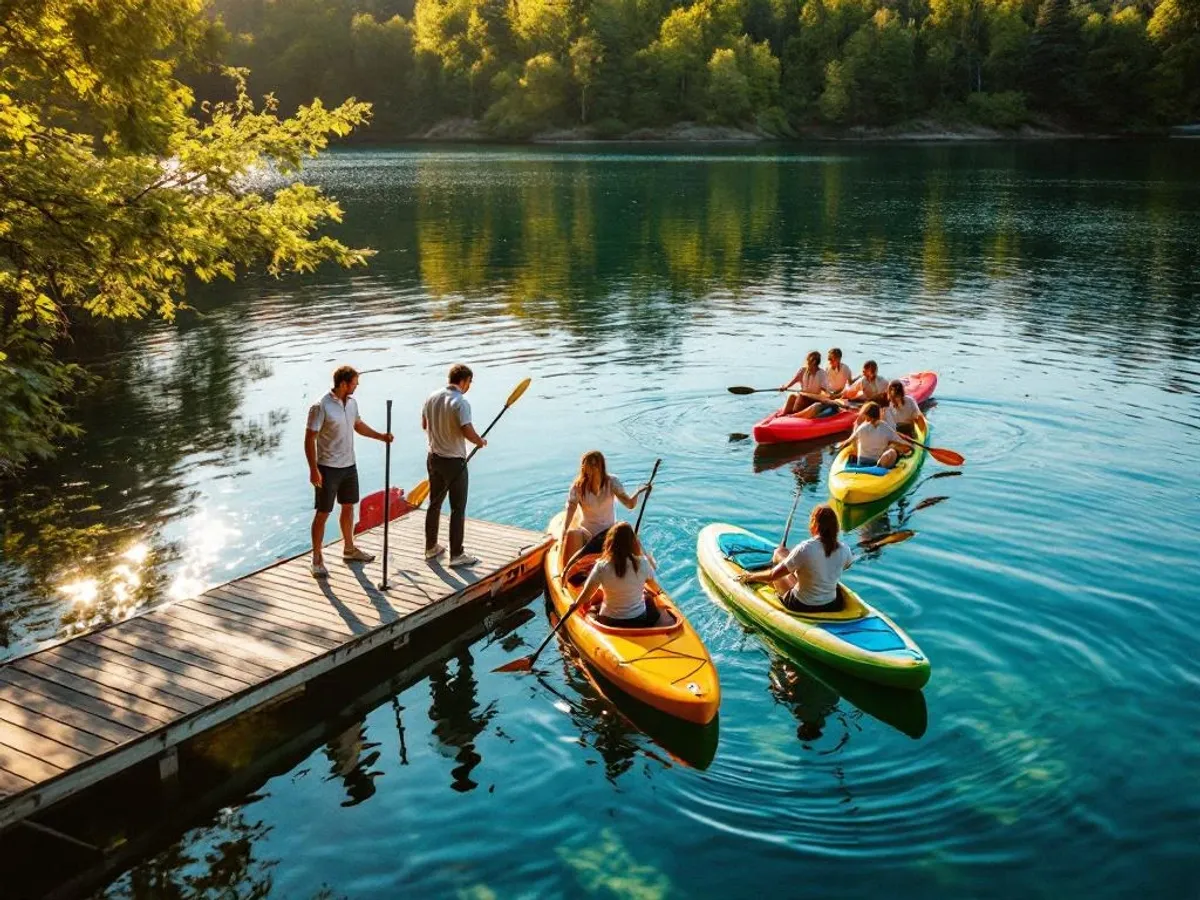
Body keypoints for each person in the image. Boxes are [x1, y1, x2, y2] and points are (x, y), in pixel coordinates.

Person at [305, 365, 393, 578]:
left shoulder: (352, 403)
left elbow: (358, 425)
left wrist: (380, 436)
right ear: (344, 383)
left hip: (349, 465)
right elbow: (309, 439)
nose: (357, 386)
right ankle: (317, 558)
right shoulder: (321, 406)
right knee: (323, 512)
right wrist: (313, 469)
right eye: (354, 383)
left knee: (348, 507)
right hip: (327, 468)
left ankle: (349, 548)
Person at [422, 364, 487, 567]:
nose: (469, 386)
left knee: (435, 503)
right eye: (469, 382)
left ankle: (431, 547)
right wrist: (479, 441)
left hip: (433, 457)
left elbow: (424, 425)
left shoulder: (432, 397)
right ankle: (457, 554)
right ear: (464, 380)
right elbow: (466, 429)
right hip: (454, 462)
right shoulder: (461, 402)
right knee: (458, 508)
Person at [737, 505, 852, 613]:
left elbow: (772, 576)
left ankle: (776, 563)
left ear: (815, 525)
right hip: (831, 604)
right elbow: (846, 565)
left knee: (778, 570)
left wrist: (750, 576)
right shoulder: (845, 549)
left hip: (801, 605)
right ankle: (780, 556)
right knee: (781, 553)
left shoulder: (805, 548)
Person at [559, 451, 648, 565]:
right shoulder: (578, 487)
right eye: (587, 465)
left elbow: (629, 504)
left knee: (628, 532)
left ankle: (642, 568)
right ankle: (567, 574)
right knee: (572, 533)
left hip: (609, 533)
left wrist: (639, 492)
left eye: (594, 464)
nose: (591, 468)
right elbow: (571, 508)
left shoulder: (612, 482)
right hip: (587, 533)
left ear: (601, 465)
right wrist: (564, 529)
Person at [574, 522, 660, 628]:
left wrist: (574, 605)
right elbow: (655, 589)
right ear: (634, 542)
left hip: (609, 620)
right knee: (648, 598)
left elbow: (586, 596)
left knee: (592, 610)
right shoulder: (643, 563)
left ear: (610, 543)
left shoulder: (601, 566)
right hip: (639, 619)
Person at [836, 401, 914, 470]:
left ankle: (876, 464)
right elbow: (899, 441)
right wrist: (911, 447)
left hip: (861, 463)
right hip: (875, 462)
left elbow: (848, 441)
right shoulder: (885, 427)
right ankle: (880, 466)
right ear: (878, 414)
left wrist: (838, 446)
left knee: (861, 444)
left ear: (867, 415)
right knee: (892, 452)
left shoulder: (862, 427)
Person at [781, 350, 831, 415]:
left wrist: (828, 396)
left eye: (807, 360)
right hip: (802, 397)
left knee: (803, 397)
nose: (806, 362)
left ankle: (795, 415)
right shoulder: (803, 370)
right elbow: (794, 380)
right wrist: (785, 387)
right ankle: (783, 416)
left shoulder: (822, 374)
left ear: (814, 362)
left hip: (813, 399)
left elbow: (824, 390)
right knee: (792, 396)